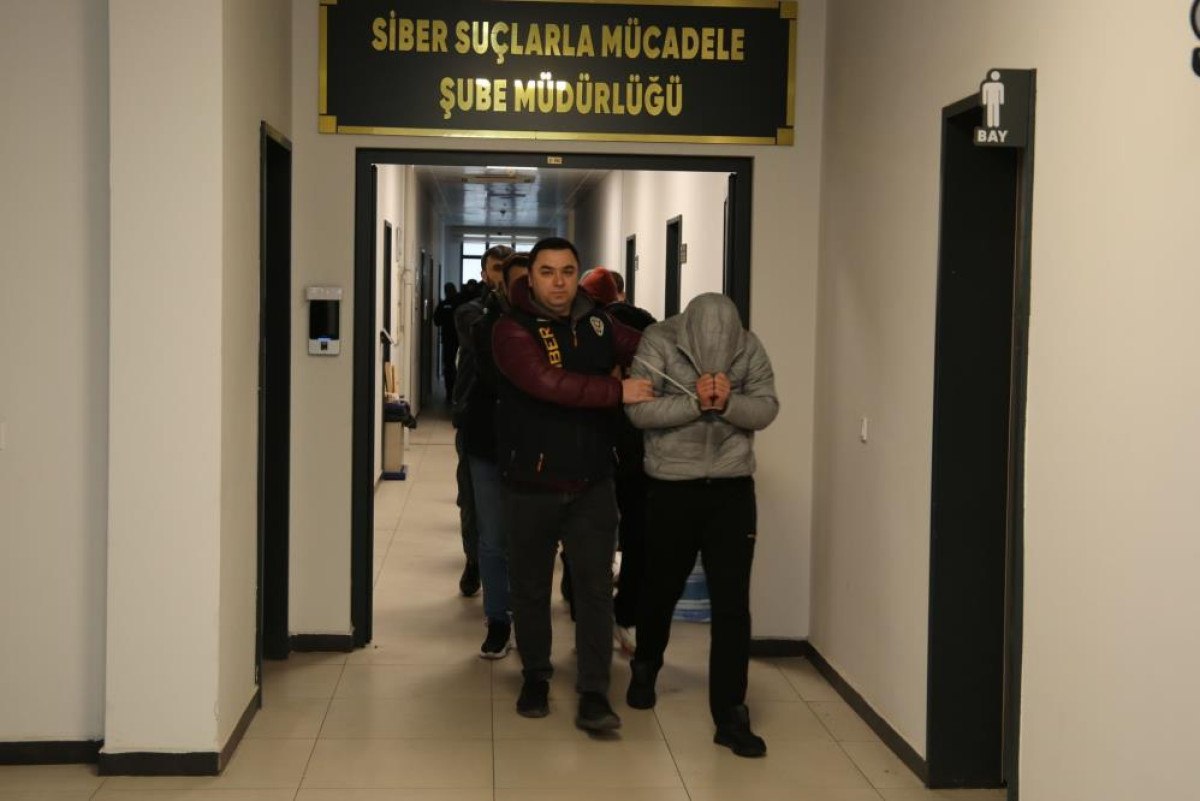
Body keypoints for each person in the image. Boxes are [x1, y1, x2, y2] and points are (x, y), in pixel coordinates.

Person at [492, 237, 653, 731]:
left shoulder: (599, 322)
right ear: (531, 277)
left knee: (594, 590)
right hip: (531, 481)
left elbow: (646, 345)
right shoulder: (511, 328)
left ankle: (594, 692)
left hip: (592, 481)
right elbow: (546, 383)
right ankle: (536, 677)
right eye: (547, 272)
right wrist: (617, 389)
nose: (558, 282)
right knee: (531, 588)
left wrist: (701, 348)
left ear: (578, 275)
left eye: (567, 271)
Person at [623, 292, 779, 758]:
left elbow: (767, 408)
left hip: (732, 490)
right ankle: (646, 667)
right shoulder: (658, 340)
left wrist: (728, 402)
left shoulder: (750, 346)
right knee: (661, 587)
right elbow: (638, 411)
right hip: (671, 487)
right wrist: (696, 402)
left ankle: (731, 713)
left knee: (733, 604)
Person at [580, 267, 656, 655]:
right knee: (637, 534)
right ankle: (626, 614)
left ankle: (585, 611)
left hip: (599, 442)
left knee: (590, 534)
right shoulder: (649, 326)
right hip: (643, 445)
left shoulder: (590, 330)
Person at [452, 244, 518, 657]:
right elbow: (488, 353)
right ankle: (475, 565)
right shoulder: (473, 314)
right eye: (498, 270)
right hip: (479, 428)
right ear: (486, 272)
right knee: (476, 509)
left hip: (528, 439)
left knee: (523, 534)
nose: (504, 278)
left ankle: (522, 612)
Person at [432, 283, 463, 399]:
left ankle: (449, 393)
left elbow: (436, 321)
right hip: (461, 340)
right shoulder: (461, 303)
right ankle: (458, 393)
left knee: (449, 366)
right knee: (461, 366)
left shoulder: (443, 304)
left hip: (448, 340)